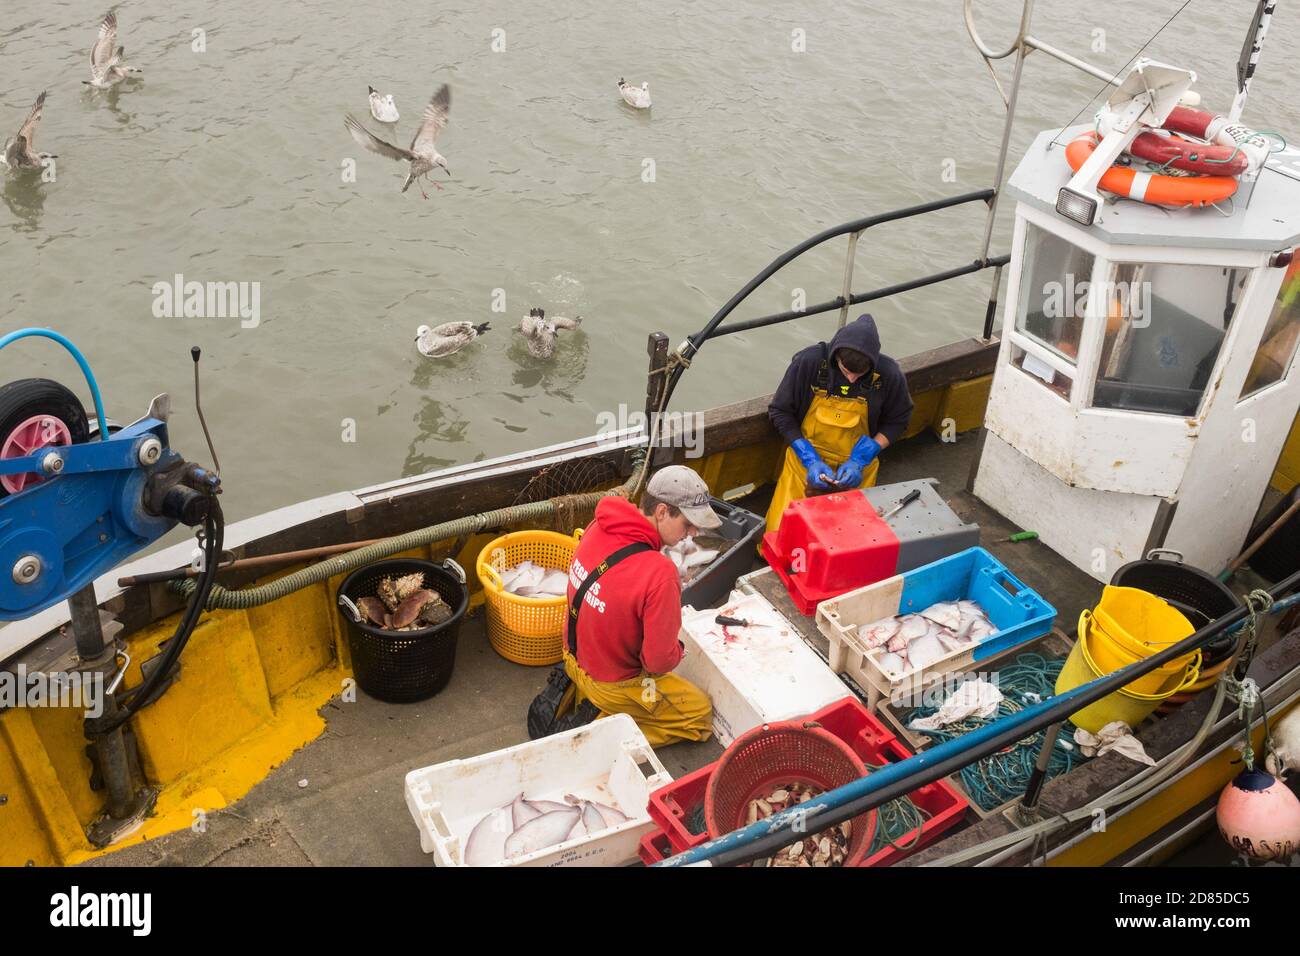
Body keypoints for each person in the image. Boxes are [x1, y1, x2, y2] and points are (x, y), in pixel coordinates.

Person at [541, 465, 719, 747]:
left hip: (570, 656)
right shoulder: (660, 572)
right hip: (610, 685)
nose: (693, 533)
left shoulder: (599, 524)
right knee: (699, 715)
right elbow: (657, 662)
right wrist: (679, 651)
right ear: (661, 511)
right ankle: (596, 737)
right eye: (687, 524)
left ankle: (583, 697)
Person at [765, 313, 913, 533]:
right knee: (783, 532)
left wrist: (864, 456)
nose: (851, 379)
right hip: (805, 464)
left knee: (845, 536)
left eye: (860, 374)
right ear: (836, 357)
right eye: (845, 371)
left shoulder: (890, 374)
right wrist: (808, 456)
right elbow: (780, 411)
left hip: (856, 469)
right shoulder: (808, 363)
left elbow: (898, 420)